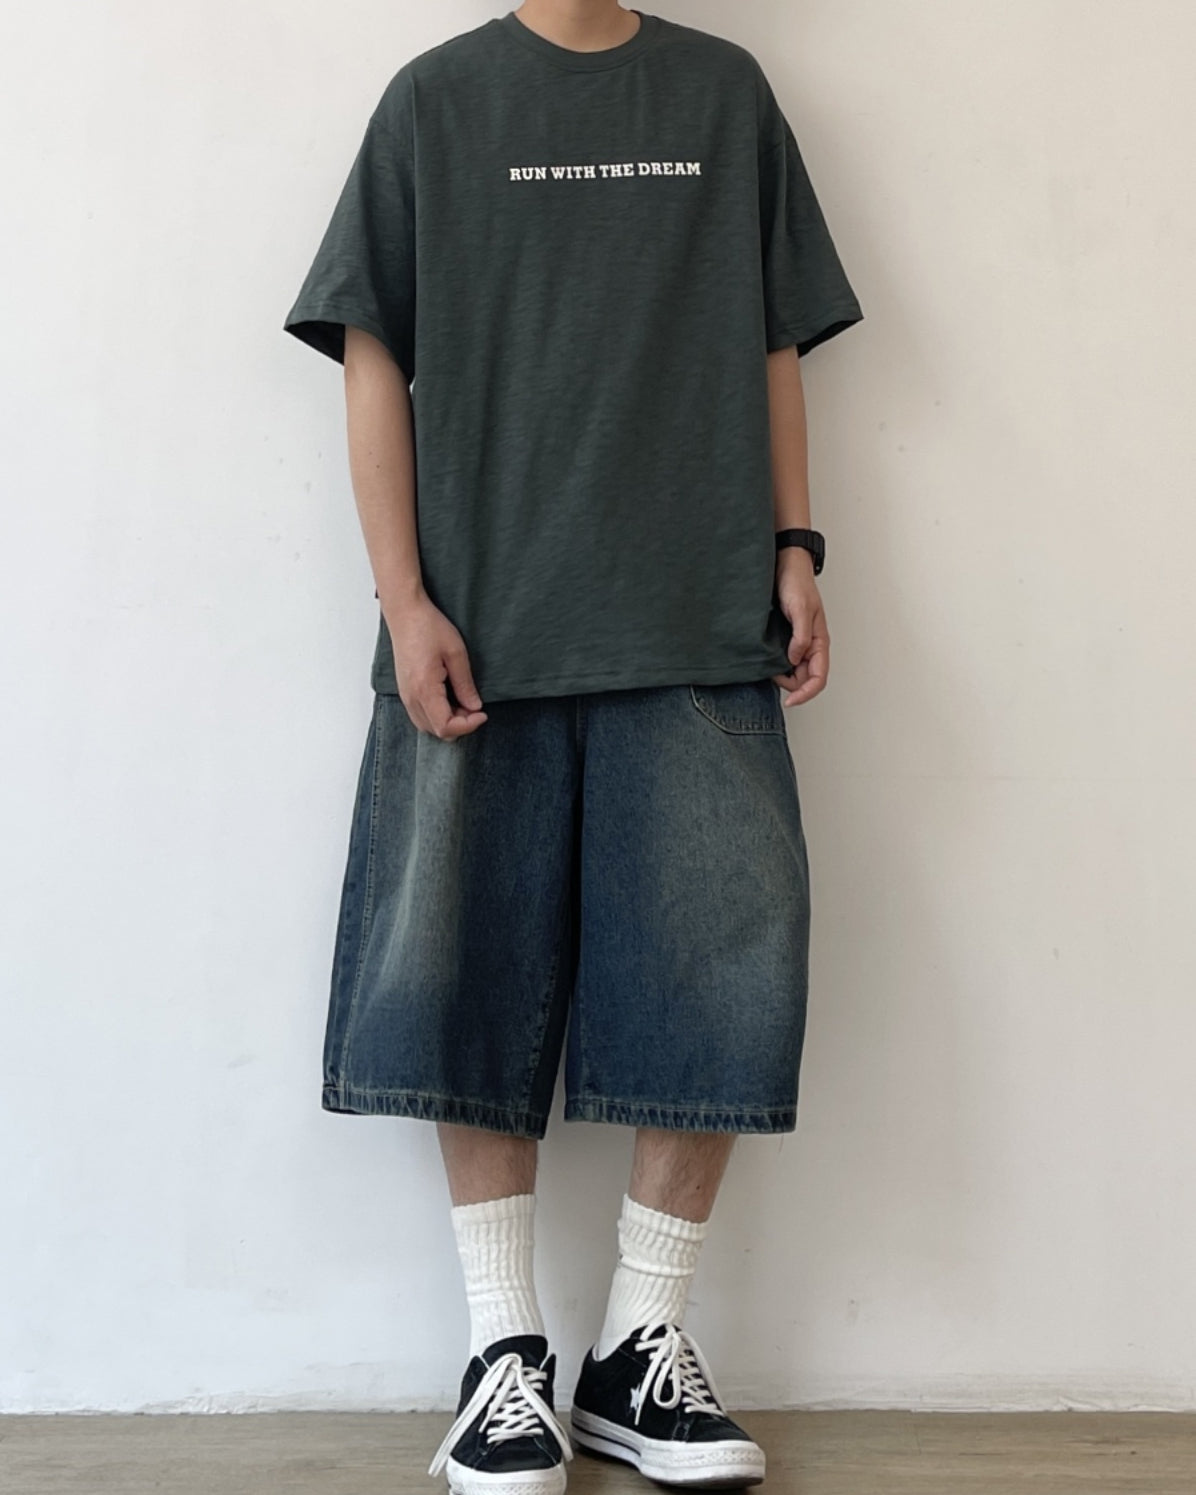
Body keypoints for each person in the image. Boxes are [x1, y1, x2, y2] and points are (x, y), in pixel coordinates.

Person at [283, 2, 863, 1490]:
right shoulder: (435, 102)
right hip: (485, 622)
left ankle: (638, 1351)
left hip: (696, 611)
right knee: (459, 967)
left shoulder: (725, 93)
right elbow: (369, 352)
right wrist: (403, 598)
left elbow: (771, 338)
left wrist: (796, 545)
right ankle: (503, 1356)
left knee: (724, 968)